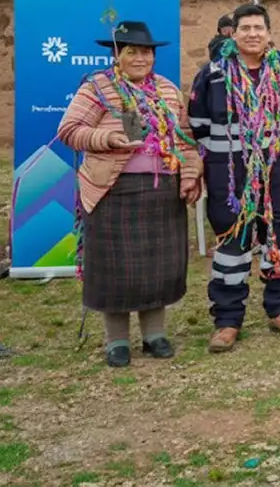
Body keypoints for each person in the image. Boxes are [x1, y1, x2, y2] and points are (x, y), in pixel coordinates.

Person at [56, 20, 202, 367]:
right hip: (113, 191)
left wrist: (190, 176)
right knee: (114, 269)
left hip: (161, 191)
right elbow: (69, 130)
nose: (141, 58)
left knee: (159, 267)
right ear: (117, 55)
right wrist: (106, 140)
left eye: (146, 52)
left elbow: (184, 138)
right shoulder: (98, 88)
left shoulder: (166, 90)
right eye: (132, 51)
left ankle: (155, 335)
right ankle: (117, 341)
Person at [188, 3, 280, 353]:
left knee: (278, 232)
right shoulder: (212, 74)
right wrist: (223, 162)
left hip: (279, 168)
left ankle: (279, 309)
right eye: (246, 28)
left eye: (259, 28)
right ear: (233, 34)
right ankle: (227, 320)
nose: (253, 34)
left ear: (269, 33)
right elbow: (199, 127)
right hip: (229, 171)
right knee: (232, 237)